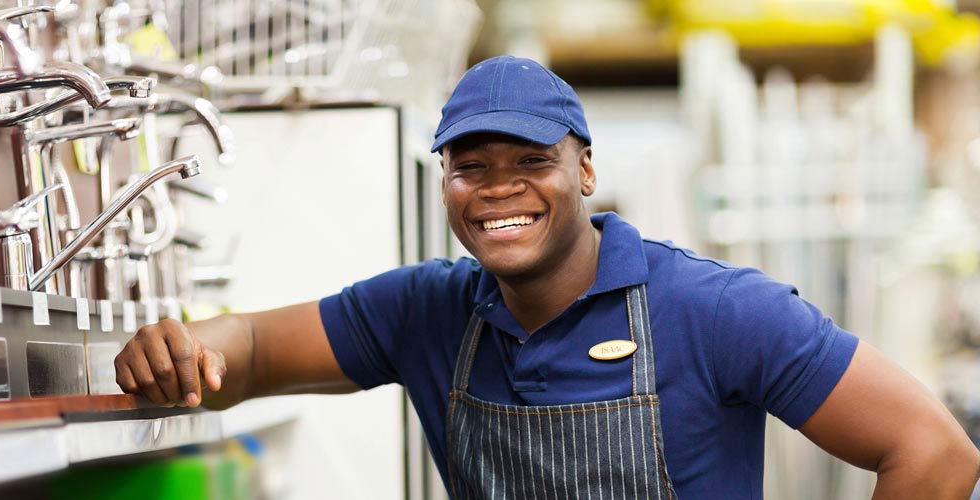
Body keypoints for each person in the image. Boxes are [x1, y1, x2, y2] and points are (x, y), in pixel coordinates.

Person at [114, 55, 980, 498]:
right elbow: (256, 347)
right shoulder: (426, 312)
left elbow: (935, 452)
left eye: (531, 160)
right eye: (470, 165)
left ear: (586, 173)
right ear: (444, 180)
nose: (498, 188)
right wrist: (186, 348)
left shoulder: (717, 312)